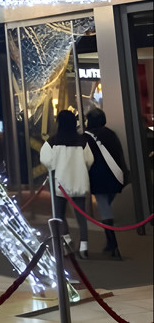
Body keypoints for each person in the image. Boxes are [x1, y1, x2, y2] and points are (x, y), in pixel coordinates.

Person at [40, 109, 94, 258]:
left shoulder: (52, 142)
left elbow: (46, 161)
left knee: (59, 215)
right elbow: (89, 160)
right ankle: (84, 247)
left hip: (60, 184)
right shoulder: (82, 141)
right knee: (81, 216)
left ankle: (67, 242)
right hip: (79, 182)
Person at [85, 108, 129, 259]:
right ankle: (111, 243)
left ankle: (113, 244)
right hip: (115, 177)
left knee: (104, 209)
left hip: (99, 178)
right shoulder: (110, 133)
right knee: (106, 206)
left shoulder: (87, 137)